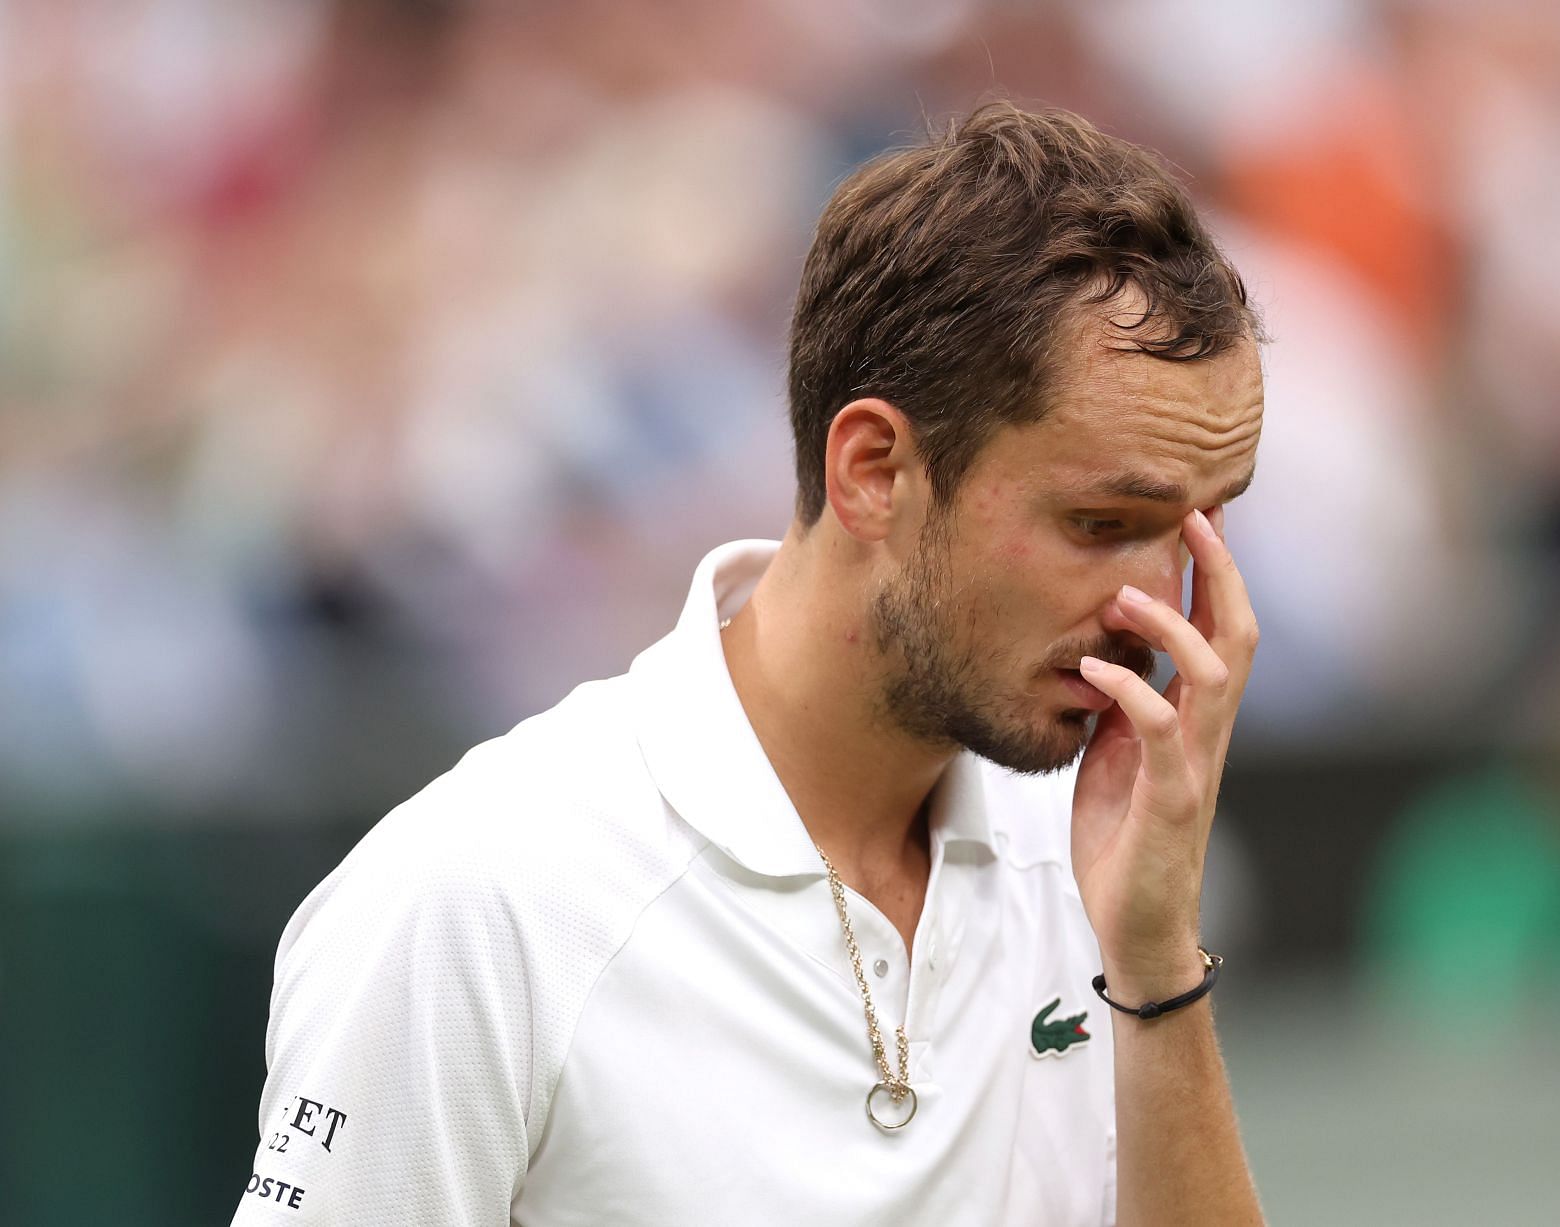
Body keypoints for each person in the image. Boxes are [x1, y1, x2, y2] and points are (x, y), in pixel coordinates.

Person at [232, 100, 1267, 1226]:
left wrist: (1155, 966)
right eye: (1103, 522)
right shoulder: (475, 899)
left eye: (1204, 530)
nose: (1160, 609)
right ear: (873, 469)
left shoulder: (1106, 862)